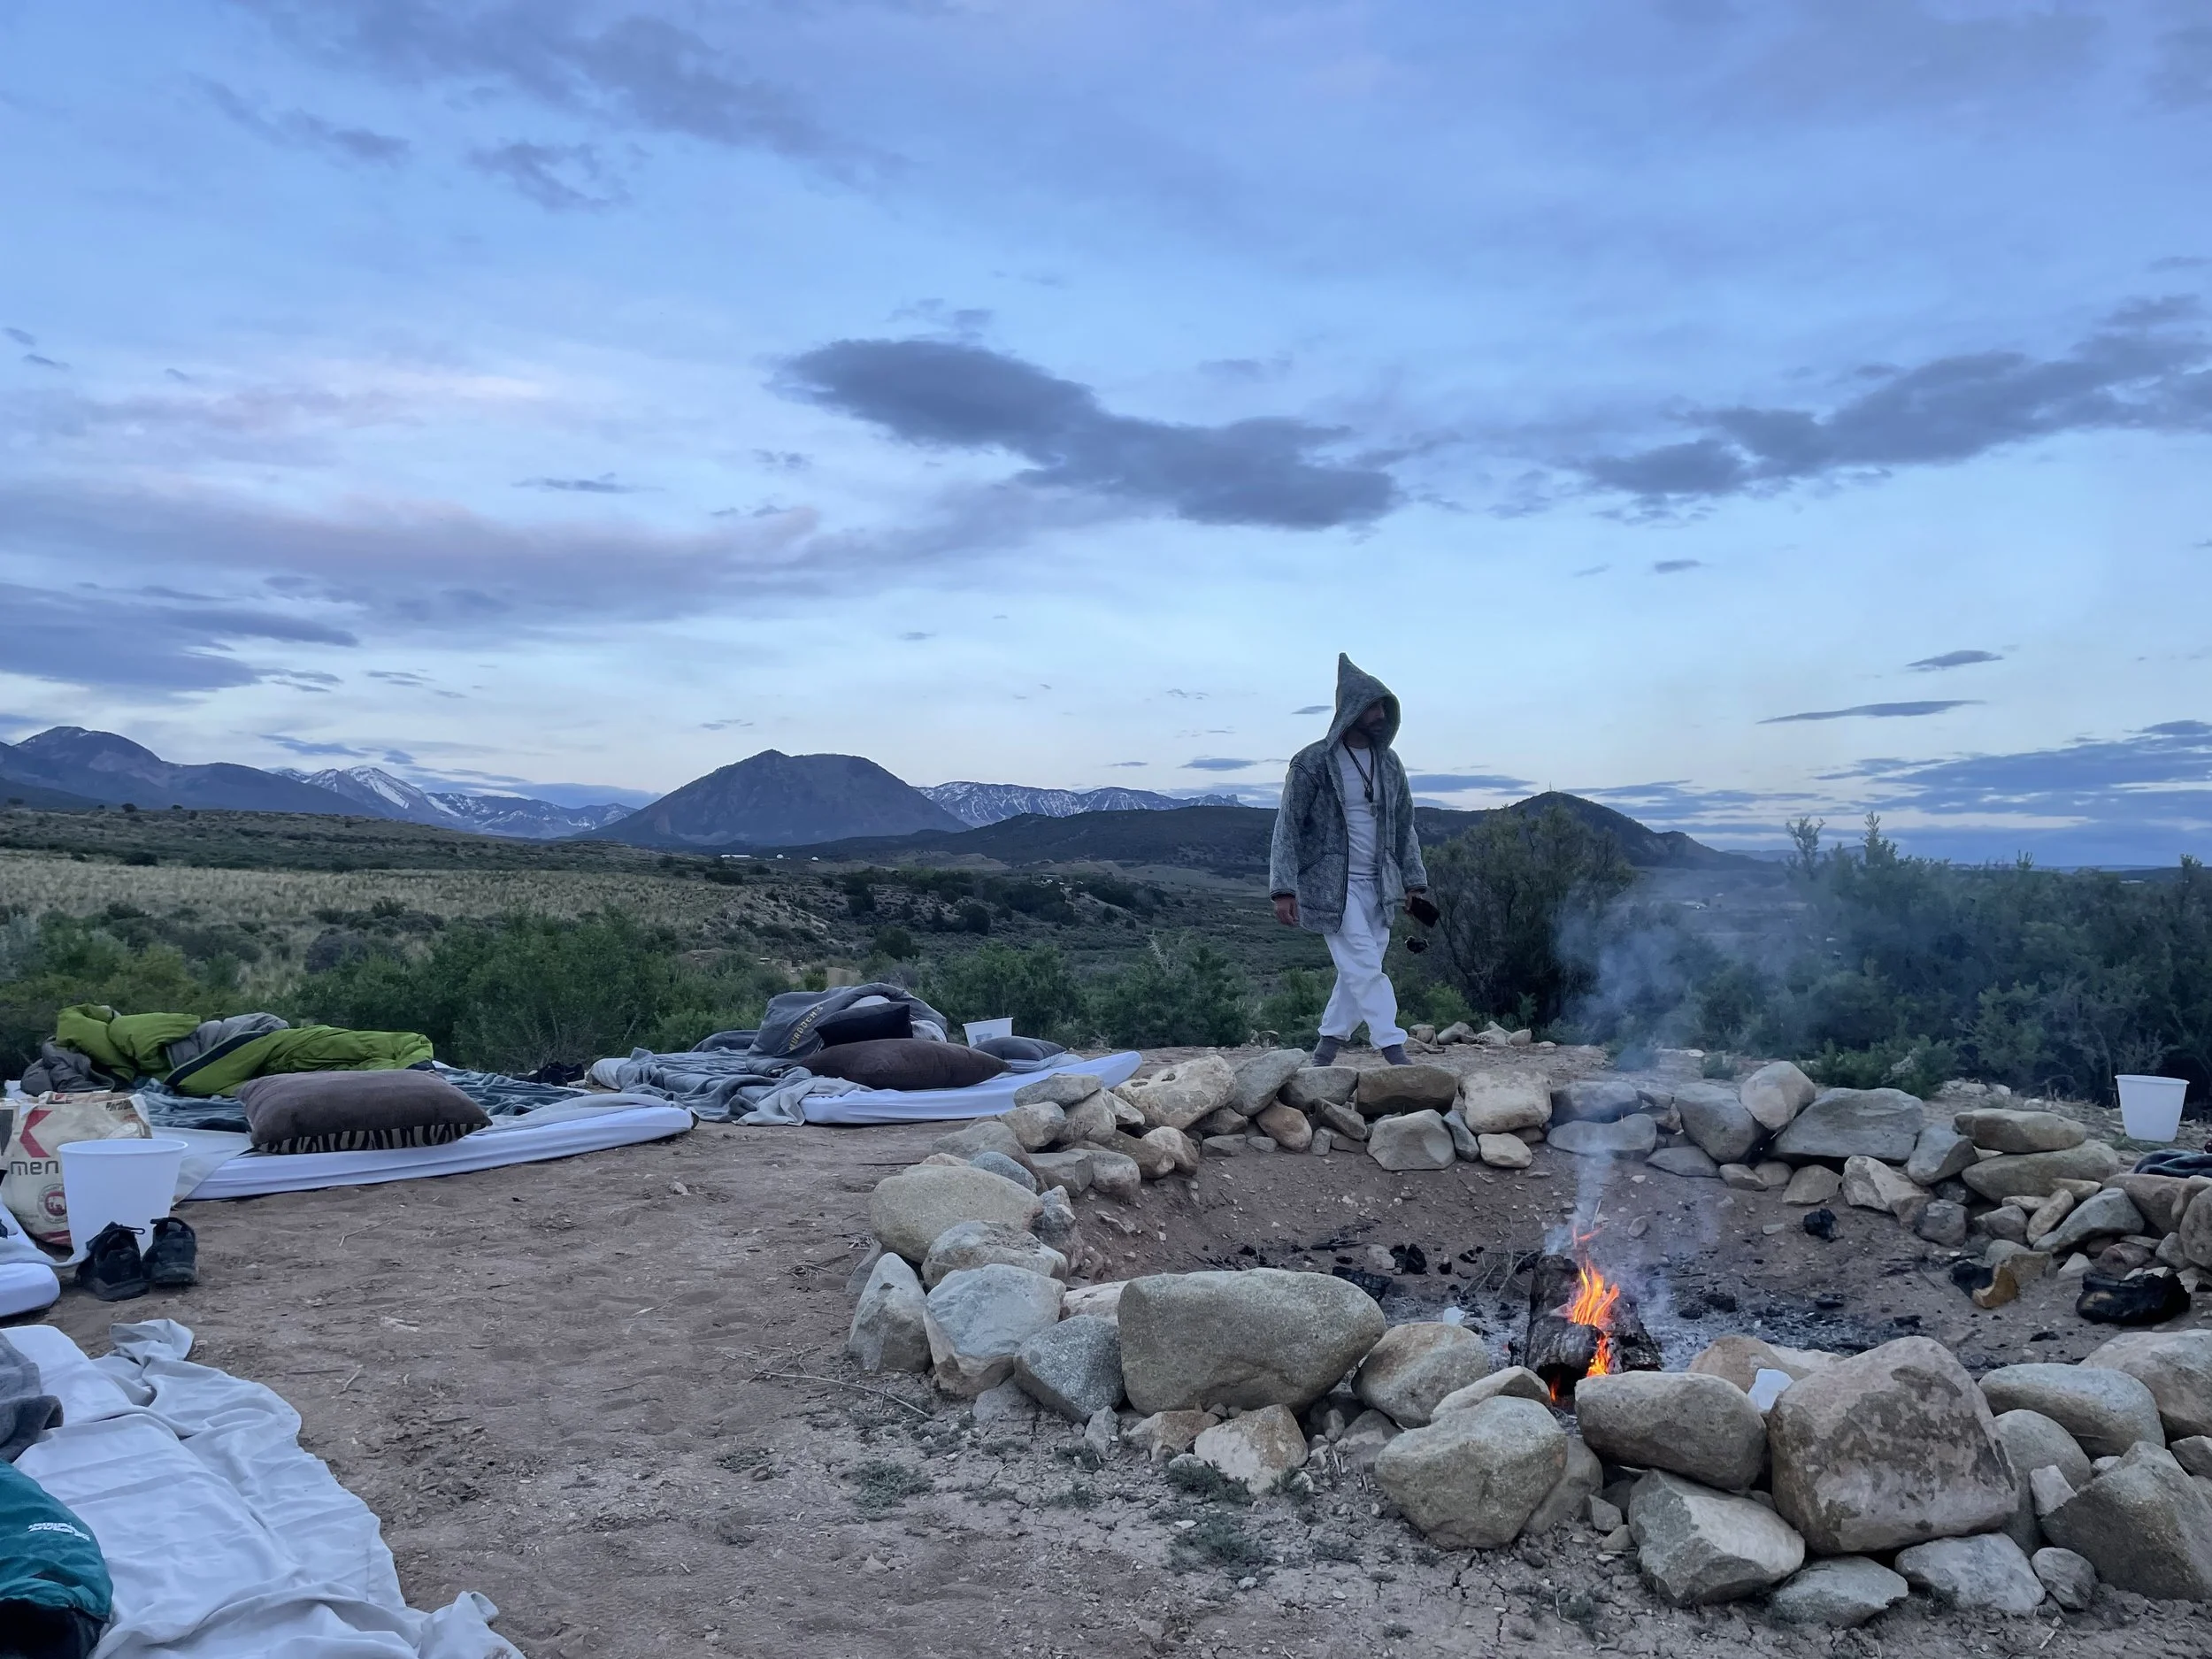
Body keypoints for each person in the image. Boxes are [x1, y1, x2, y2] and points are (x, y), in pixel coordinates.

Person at [1268, 655, 1428, 1066]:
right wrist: (1283, 888)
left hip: (1380, 884)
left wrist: (1415, 882)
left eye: (1383, 707)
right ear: (1351, 709)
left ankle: (1325, 1050)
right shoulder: (1313, 762)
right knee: (1363, 964)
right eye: (1371, 707)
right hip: (1328, 886)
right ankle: (1393, 1049)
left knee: (1359, 968)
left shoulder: (1389, 765)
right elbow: (1288, 826)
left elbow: (1405, 826)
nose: (1379, 715)